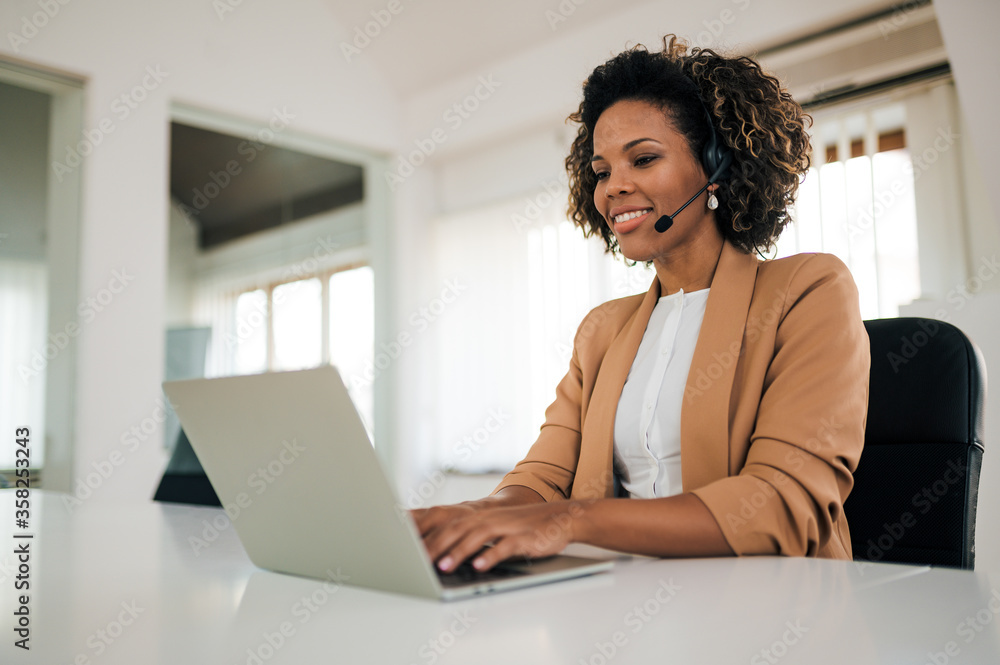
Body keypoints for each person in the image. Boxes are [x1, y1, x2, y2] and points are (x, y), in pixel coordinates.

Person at [413, 35, 870, 574]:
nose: (612, 188)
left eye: (643, 159)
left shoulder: (808, 290)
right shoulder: (603, 330)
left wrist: (571, 521)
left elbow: (780, 505)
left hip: (774, 615)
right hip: (625, 606)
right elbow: (543, 479)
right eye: (602, 171)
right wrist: (460, 517)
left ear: (717, 167)